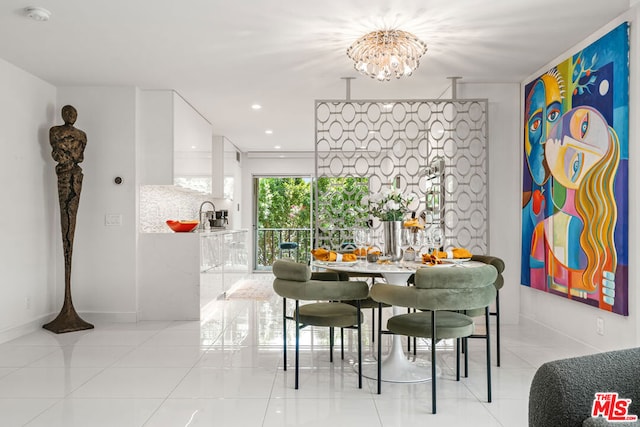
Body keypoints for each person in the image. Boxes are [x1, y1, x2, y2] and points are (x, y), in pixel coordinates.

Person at [44, 105, 93, 333]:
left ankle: (69, 309)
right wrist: (68, 156)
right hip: (64, 175)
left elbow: (78, 156)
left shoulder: (82, 135)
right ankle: (66, 310)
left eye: (74, 113)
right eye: (68, 113)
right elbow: (58, 154)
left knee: (70, 225)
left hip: (75, 175)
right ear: (63, 115)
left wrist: (69, 155)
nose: (71, 117)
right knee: (67, 227)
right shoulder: (54, 130)